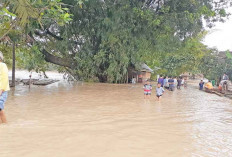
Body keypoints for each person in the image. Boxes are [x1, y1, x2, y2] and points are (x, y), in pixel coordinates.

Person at [0, 51, 10, 124]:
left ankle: (5, 124)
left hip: (2, 90)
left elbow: (4, 78)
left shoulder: (2, 65)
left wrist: (1, 89)